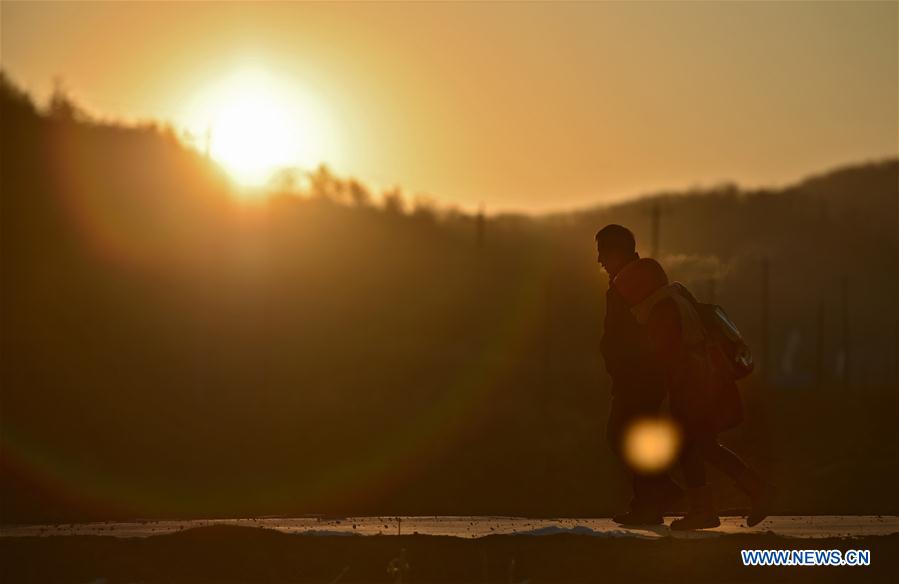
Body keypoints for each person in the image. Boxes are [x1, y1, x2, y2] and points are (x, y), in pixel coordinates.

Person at [609, 233, 777, 530]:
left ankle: (706, 509)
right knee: (704, 445)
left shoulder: (661, 311)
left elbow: (667, 356)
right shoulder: (675, 297)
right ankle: (753, 491)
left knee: (690, 445)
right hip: (702, 384)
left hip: (691, 388)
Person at [596, 224, 682, 525]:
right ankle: (651, 501)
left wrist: (619, 364)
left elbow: (627, 335)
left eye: (603, 253)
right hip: (644, 376)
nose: (599, 261)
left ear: (616, 252)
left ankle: (656, 496)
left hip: (637, 377)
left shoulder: (630, 284)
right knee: (632, 436)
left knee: (623, 435)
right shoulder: (640, 279)